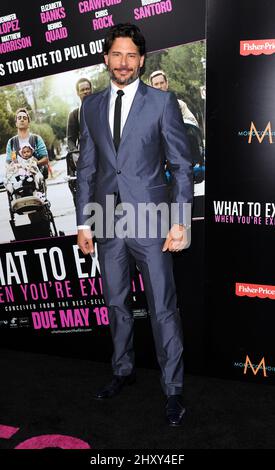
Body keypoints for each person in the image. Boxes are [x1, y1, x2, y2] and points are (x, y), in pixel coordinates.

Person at [76, 23, 193, 427]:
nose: (123, 62)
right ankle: (122, 370)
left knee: (163, 309)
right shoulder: (90, 107)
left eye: (131, 55)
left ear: (141, 60)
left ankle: (174, 390)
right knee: (116, 304)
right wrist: (85, 223)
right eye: (116, 54)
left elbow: (180, 166)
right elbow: (87, 169)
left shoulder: (162, 102)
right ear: (106, 59)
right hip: (107, 219)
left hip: (152, 221)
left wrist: (180, 222)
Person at [66, 78, 93, 153]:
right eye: (82, 90)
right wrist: (75, 152)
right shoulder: (74, 115)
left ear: (91, 90)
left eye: (87, 89)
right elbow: (70, 140)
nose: (85, 92)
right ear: (78, 93)